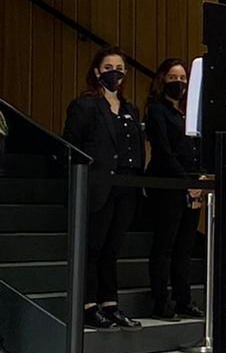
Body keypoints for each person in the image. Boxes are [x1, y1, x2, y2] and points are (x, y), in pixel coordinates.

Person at [63, 46, 144, 331]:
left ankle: (110, 305)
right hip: (97, 186)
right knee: (94, 248)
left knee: (113, 249)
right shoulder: (84, 105)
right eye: (108, 67)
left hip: (125, 187)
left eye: (119, 67)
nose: (114, 72)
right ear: (97, 72)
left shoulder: (130, 109)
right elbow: (71, 145)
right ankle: (88, 305)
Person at [144, 59, 204, 321]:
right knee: (165, 245)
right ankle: (161, 301)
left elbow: (195, 146)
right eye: (173, 77)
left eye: (183, 77)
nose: (179, 82)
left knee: (185, 246)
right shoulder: (157, 110)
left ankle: (183, 299)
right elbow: (164, 151)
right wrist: (185, 181)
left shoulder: (186, 113)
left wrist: (199, 180)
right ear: (162, 80)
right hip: (168, 184)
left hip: (191, 184)